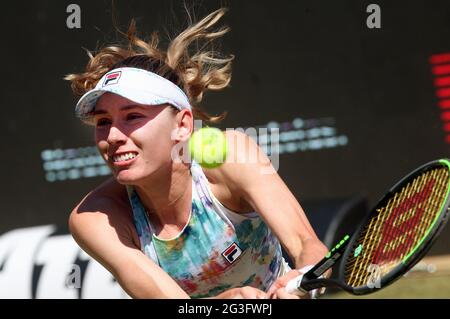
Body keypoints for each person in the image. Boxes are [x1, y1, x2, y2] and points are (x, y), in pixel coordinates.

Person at [66, 8, 328, 299]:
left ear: (182, 124)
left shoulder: (233, 154)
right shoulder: (93, 217)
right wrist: (228, 302)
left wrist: (303, 278)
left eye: (133, 116)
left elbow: (307, 244)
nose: (113, 137)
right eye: (104, 121)